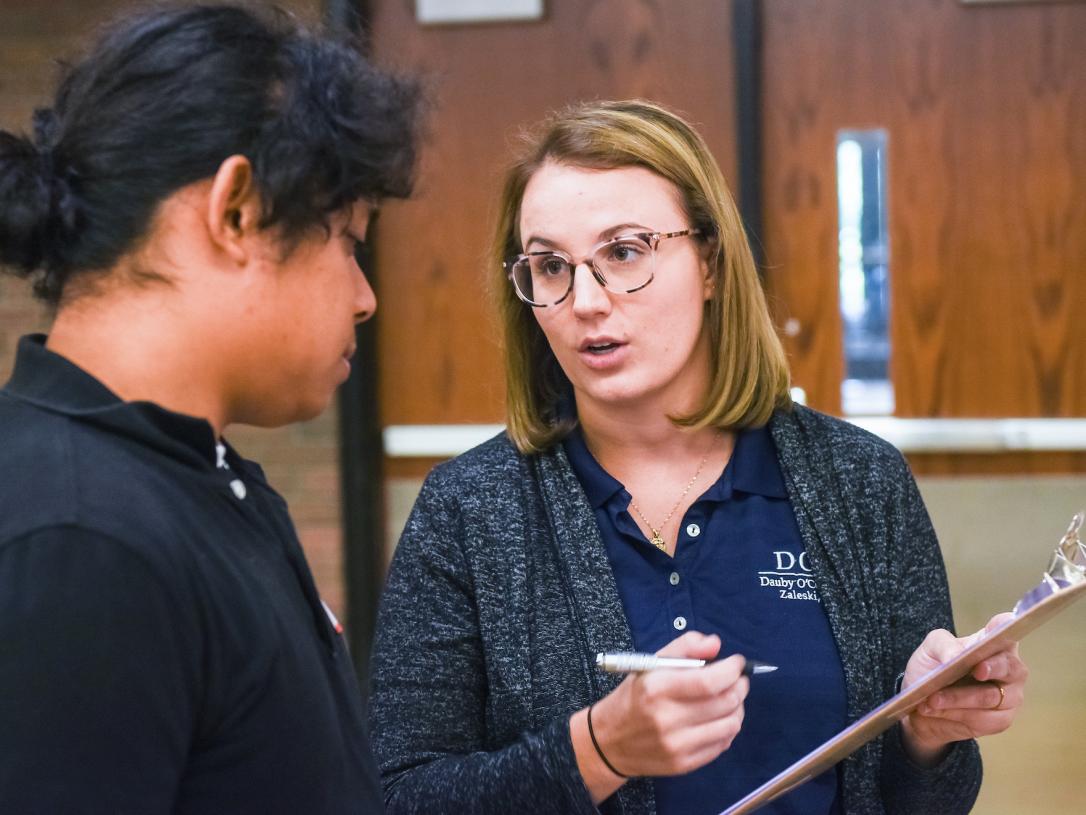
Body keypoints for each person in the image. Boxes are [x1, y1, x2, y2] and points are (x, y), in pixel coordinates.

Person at [368, 100, 1029, 814]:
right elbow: (400, 794)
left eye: (623, 252)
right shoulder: (469, 509)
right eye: (550, 266)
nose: (584, 300)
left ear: (710, 262)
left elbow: (929, 800)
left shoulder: (860, 482)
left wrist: (926, 735)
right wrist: (597, 750)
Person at [0, 4, 420, 812]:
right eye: (349, 241)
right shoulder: (78, 541)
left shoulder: (198, 476)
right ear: (237, 212)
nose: (364, 298)